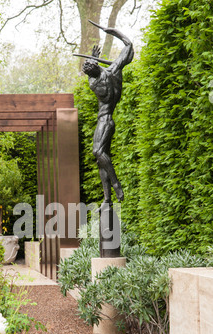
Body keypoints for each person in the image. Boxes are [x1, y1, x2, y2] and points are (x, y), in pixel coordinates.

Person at [78, 21, 134, 205]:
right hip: (109, 120)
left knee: (97, 151)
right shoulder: (113, 72)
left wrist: (94, 60)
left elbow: (94, 74)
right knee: (101, 158)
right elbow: (129, 46)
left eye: (88, 68)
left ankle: (116, 184)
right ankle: (107, 198)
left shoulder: (94, 84)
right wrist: (114, 32)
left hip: (104, 120)